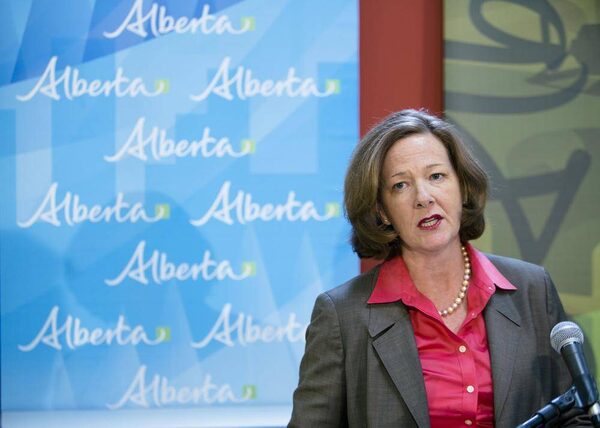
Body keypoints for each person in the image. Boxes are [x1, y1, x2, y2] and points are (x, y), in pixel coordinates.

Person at [288, 109, 590, 427]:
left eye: (436, 176)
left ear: (462, 187)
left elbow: (575, 415)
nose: (424, 197)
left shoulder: (532, 289)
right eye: (400, 185)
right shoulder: (342, 316)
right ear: (382, 211)